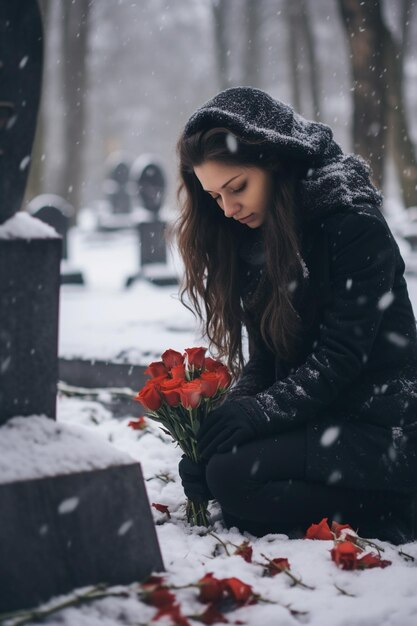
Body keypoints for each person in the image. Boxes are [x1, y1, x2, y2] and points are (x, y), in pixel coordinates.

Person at [174, 86, 417, 544]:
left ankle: (396, 502)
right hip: (320, 420)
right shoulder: (259, 239)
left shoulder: (353, 225)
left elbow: (340, 358)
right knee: (223, 470)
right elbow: (267, 358)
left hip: (382, 427)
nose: (228, 209)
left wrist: (256, 417)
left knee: (234, 481)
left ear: (275, 161)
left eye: (237, 188)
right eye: (214, 197)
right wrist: (222, 426)